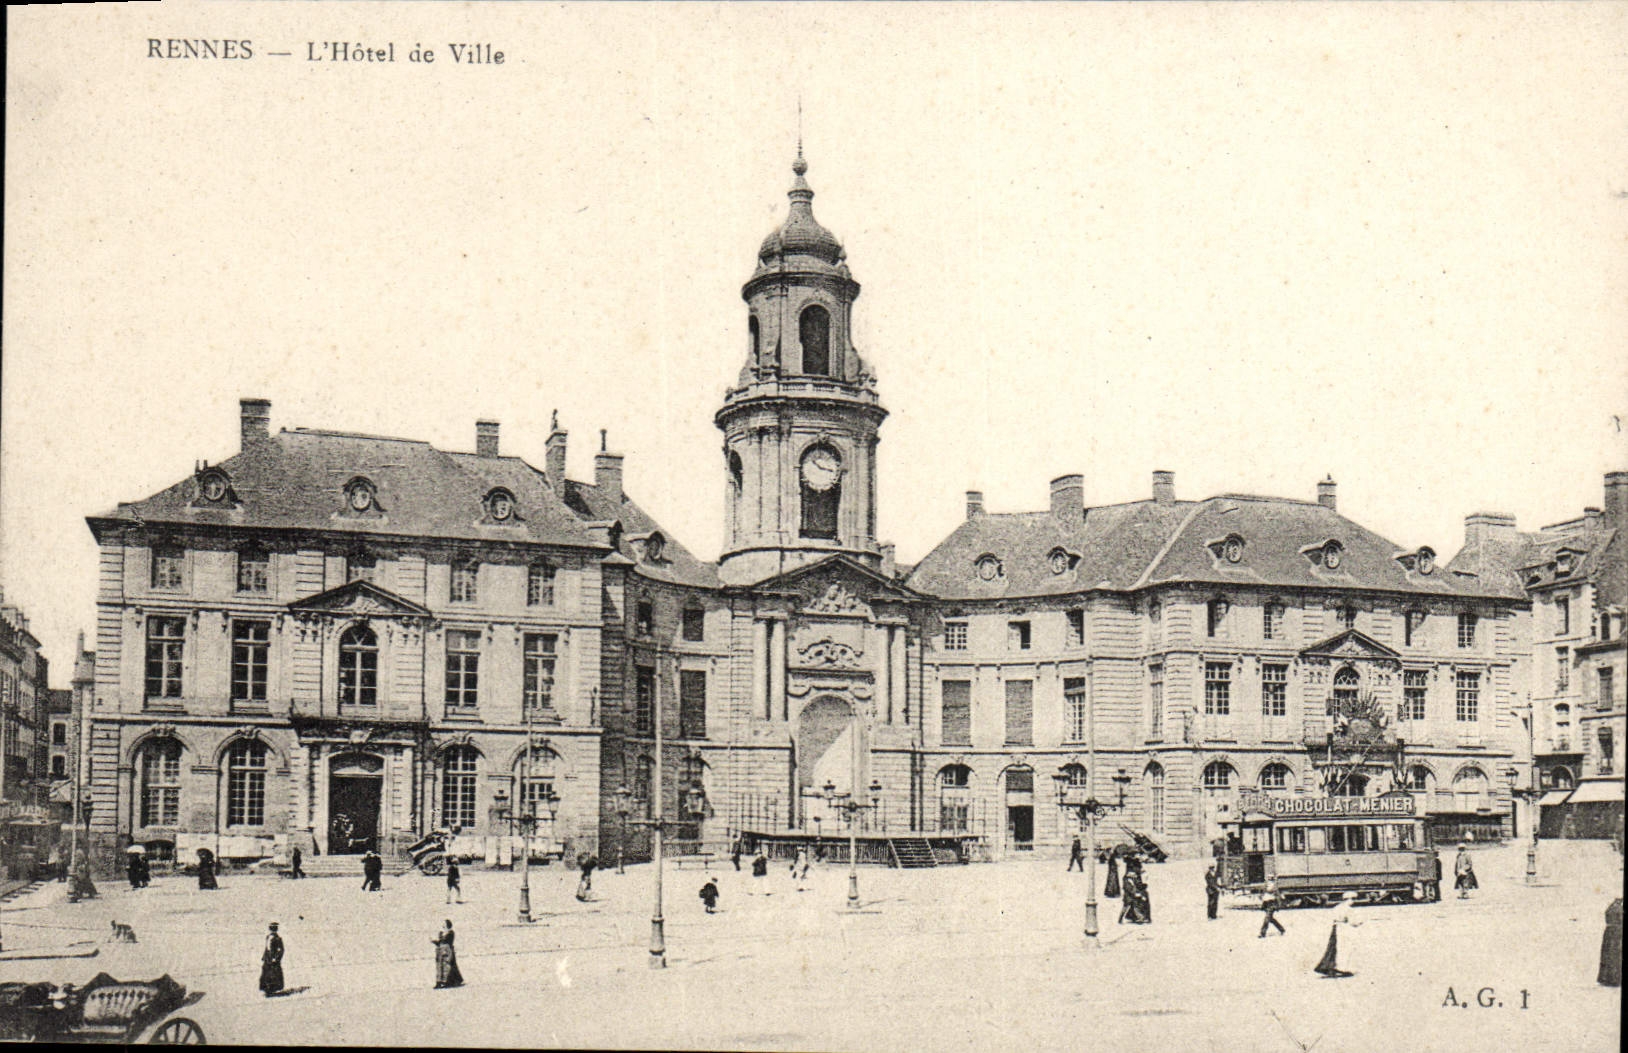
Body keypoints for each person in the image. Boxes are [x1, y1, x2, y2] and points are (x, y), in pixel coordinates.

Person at [1314, 893, 1362, 978]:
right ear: (1349, 899)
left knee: (1333, 948)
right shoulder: (1348, 909)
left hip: (1336, 928)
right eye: (1353, 899)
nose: (1353, 901)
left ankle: (1329, 966)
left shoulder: (1337, 907)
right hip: (1344, 929)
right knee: (1344, 948)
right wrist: (1360, 922)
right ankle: (1342, 968)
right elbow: (1353, 922)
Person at [432, 919, 464, 989]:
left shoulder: (450, 933)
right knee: (441, 967)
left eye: (444, 924)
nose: (443, 925)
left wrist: (440, 941)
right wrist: (435, 942)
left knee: (448, 966)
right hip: (441, 951)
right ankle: (440, 982)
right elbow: (440, 942)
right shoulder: (441, 933)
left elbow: (447, 941)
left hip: (447, 951)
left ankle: (446, 982)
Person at [1600, 897, 1623, 988]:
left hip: (1611, 934)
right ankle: (1612, 978)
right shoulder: (1617, 908)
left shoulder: (1612, 907)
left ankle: (1608, 978)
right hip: (1615, 934)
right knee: (1614, 956)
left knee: (1610, 956)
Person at [259, 923, 285, 997]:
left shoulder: (278, 938)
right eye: (271, 929)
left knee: (273, 974)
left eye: (274, 929)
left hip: (273, 960)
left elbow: (281, 950)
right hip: (267, 958)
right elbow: (266, 948)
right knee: (266, 973)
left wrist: (276, 958)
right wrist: (264, 956)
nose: (272, 931)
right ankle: (266, 990)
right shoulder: (268, 937)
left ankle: (272, 990)